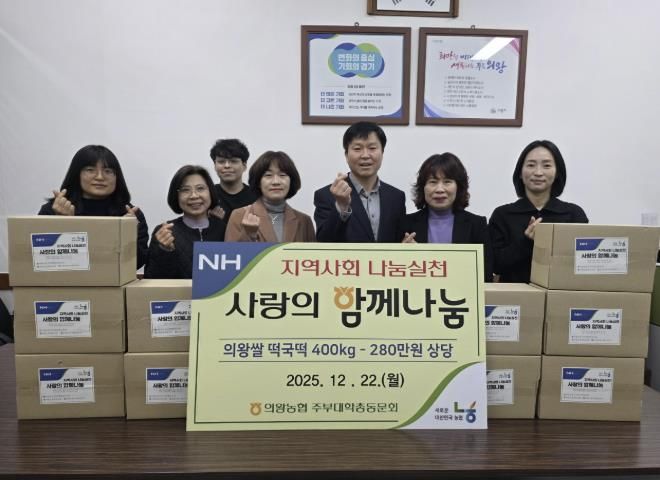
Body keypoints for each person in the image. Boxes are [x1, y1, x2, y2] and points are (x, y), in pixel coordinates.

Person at [489, 140, 588, 283]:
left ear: (557, 172)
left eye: (546, 165)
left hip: (560, 292)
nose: (538, 172)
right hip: (515, 294)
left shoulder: (573, 214)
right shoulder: (503, 214)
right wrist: (526, 242)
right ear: (520, 173)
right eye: (531, 165)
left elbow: (583, 263)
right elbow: (495, 265)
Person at [38, 145, 149, 269]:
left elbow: (137, 264)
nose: (100, 177)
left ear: (117, 177)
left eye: (108, 171)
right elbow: (43, 260)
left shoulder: (130, 214)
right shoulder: (54, 210)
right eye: (90, 170)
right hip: (64, 280)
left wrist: (127, 234)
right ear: (77, 174)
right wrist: (63, 225)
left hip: (111, 281)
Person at [400, 153, 493, 282]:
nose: (440, 189)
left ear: (458, 187)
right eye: (433, 182)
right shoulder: (406, 223)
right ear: (423, 188)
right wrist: (401, 254)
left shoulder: (477, 225)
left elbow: (485, 275)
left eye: (447, 182)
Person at [313, 121, 406, 242]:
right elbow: (324, 242)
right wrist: (341, 206)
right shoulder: (327, 195)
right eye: (357, 149)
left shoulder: (396, 197)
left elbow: (399, 241)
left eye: (372, 148)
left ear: (382, 152)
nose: (365, 155)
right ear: (346, 155)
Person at [144, 165, 226, 279]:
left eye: (200, 188)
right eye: (185, 190)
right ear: (176, 195)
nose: (194, 196)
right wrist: (164, 251)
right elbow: (151, 280)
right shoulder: (165, 232)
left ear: (210, 192)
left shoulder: (223, 229)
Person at [225, 151, 315, 242]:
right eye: (268, 175)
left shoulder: (304, 221)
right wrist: (248, 234)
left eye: (282, 175)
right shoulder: (240, 215)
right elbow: (230, 251)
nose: (276, 182)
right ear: (258, 182)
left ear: (291, 181)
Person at [209, 138, 257, 221]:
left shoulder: (256, 197)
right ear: (215, 165)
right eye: (221, 162)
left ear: (244, 166)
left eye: (233, 161)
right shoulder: (208, 195)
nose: (227, 166)